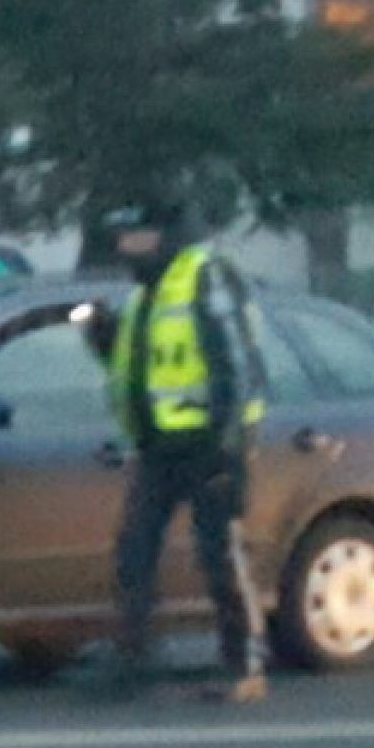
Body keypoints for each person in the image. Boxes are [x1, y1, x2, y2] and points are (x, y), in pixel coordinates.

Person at [82, 199, 269, 704]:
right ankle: (132, 657)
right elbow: (142, 368)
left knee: (221, 555)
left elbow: (237, 363)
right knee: (134, 551)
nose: (126, 249)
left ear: (165, 235)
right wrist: (103, 338)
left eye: (135, 238)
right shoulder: (147, 291)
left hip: (211, 446)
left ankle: (245, 663)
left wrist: (228, 442)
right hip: (159, 447)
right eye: (122, 240)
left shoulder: (205, 276)